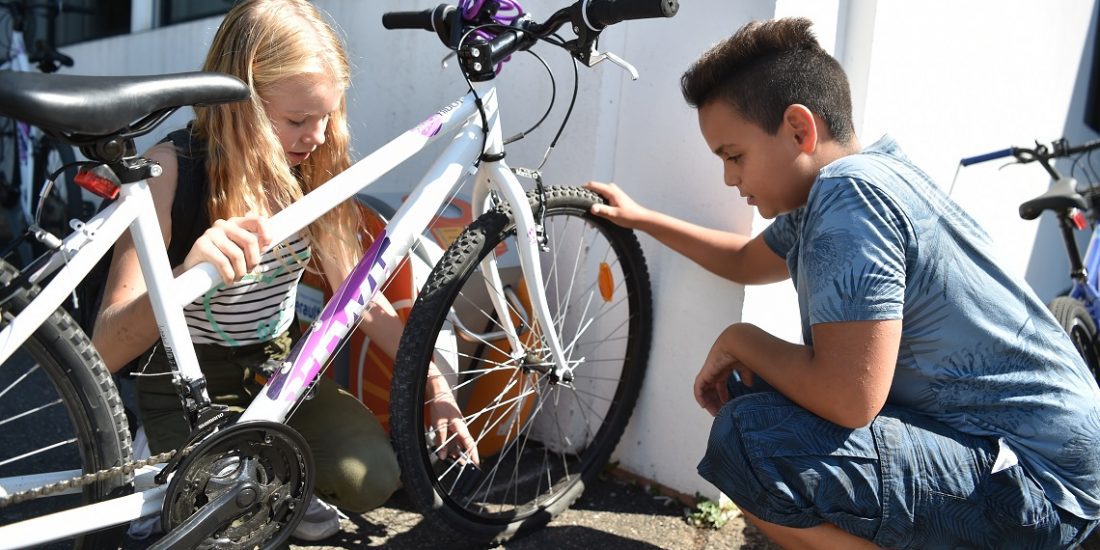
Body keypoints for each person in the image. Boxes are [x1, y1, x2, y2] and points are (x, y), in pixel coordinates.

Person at [586, 17, 1100, 549]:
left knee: (750, 437)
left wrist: (742, 339)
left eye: (734, 156)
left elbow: (850, 399)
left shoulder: (849, 194)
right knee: (755, 395)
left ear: (798, 129)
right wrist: (641, 218)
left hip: (1041, 485)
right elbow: (743, 260)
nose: (729, 179)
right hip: (1044, 466)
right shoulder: (854, 185)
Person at [91, 0, 476, 542]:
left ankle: (268, 476)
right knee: (223, 524)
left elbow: (358, 297)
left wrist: (435, 385)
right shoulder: (170, 172)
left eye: (327, 117)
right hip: (185, 376)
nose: (317, 137)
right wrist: (187, 272)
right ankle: (168, 457)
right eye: (297, 120)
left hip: (277, 368)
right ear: (235, 104)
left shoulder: (315, 166)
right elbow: (105, 346)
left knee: (373, 478)